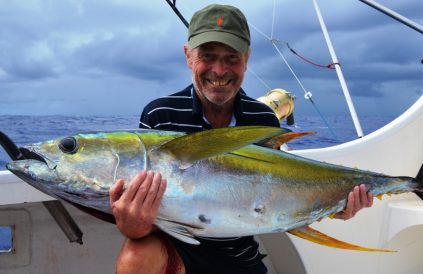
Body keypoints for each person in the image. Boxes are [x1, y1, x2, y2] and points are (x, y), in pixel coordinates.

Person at [109, 4, 373, 274]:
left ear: (247, 58)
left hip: (240, 255)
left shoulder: (263, 118)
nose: (220, 70)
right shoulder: (160, 114)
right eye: (208, 56)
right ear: (188, 56)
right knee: (135, 257)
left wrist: (333, 204)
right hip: (175, 251)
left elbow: (278, 191)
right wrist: (133, 226)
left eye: (231, 58)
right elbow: (147, 201)